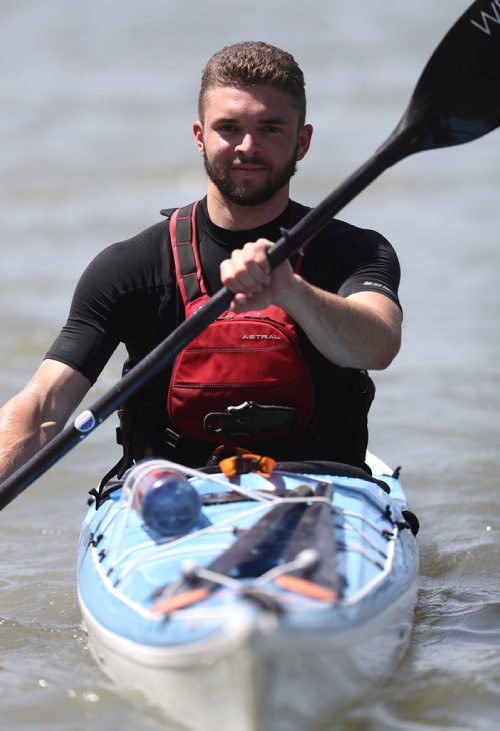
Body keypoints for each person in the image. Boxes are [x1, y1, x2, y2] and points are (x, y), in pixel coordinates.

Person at [0, 41, 402, 486]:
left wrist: (290, 288)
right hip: (171, 503)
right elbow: (41, 408)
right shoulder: (130, 268)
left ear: (302, 141)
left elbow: (378, 345)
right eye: (228, 127)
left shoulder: (354, 251)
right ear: (199, 137)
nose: (247, 147)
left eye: (270, 129)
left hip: (323, 493)